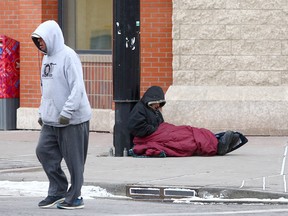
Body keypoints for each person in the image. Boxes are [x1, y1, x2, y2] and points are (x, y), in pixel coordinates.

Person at [31, 20, 92, 210]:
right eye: (37, 41)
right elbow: (46, 89)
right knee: (43, 151)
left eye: (41, 40)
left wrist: (67, 112)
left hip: (72, 119)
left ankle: (75, 197)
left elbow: (77, 87)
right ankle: (58, 190)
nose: (40, 43)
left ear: (52, 37)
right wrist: (43, 112)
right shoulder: (46, 59)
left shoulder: (68, 56)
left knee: (74, 162)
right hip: (52, 120)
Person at [128, 86, 247, 157]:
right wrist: (155, 130)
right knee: (184, 138)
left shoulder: (154, 110)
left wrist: (161, 129)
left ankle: (215, 140)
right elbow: (136, 126)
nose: (158, 105)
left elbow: (164, 125)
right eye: (157, 103)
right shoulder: (140, 109)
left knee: (190, 131)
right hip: (152, 136)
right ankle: (217, 146)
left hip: (161, 133)